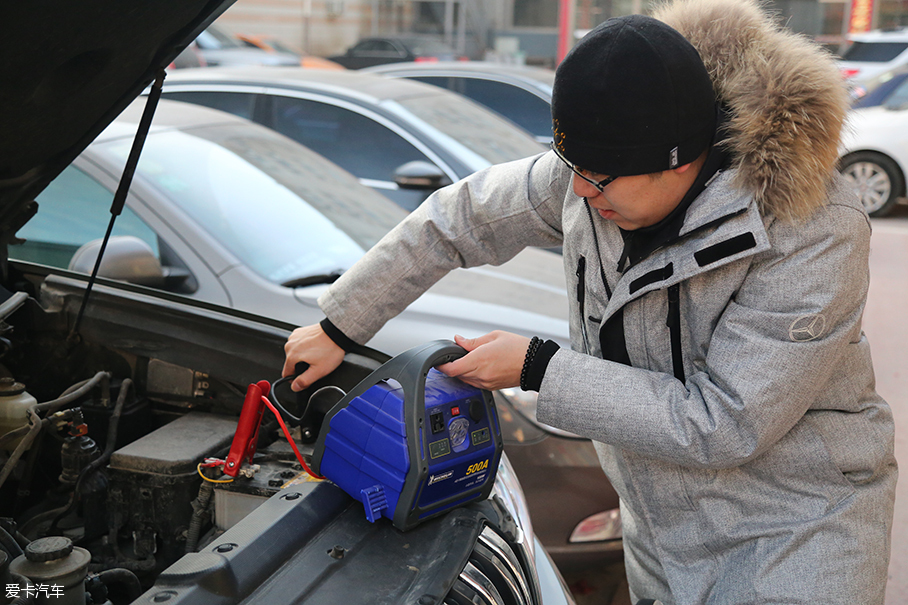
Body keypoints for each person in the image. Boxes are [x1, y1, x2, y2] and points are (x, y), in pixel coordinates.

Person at [283, 0, 898, 601]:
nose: (578, 189)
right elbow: (462, 217)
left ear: (682, 161)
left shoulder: (810, 230)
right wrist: (340, 325)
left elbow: (726, 425)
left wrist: (536, 368)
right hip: (660, 532)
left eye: (597, 176)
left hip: (796, 533)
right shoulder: (595, 175)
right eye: (569, 165)